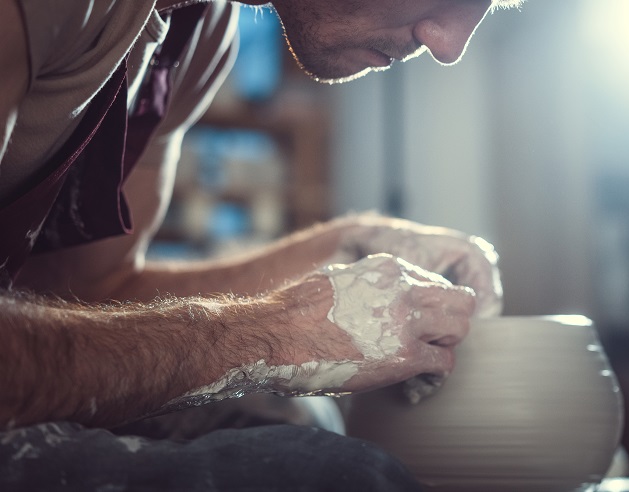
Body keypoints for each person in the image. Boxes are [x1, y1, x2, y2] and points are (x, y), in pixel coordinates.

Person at [0, 0, 518, 488]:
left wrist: (345, 247)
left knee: (294, 419)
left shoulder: (200, 32)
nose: (451, 46)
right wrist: (267, 340)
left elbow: (81, 293)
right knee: (326, 477)